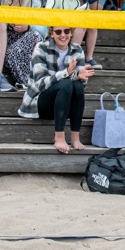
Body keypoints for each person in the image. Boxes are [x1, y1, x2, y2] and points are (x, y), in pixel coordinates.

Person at [17, 26, 94, 154]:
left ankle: (75, 137)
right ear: (52, 34)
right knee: (65, 84)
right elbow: (40, 84)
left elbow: (78, 88)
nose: (63, 35)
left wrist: (79, 76)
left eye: (66, 31)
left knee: (78, 86)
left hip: (64, 104)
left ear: (71, 33)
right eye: (58, 32)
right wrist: (66, 73)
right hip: (39, 101)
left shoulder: (77, 49)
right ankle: (59, 137)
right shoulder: (41, 47)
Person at [0, 0, 47, 87]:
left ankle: (29, 82)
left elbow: (44, 30)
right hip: (5, 44)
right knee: (13, 51)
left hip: (29, 41)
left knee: (34, 35)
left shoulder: (34, 2)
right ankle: (29, 83)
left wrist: (29, 27)